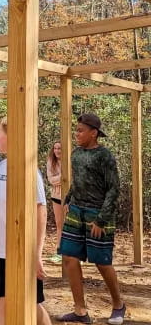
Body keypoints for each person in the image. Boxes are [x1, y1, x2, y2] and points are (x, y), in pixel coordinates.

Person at [57, 114, 125, 325]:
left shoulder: (105, 156)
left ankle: (118, 305)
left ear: (93, 133)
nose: (76, 134)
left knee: (101, 262)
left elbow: (114, 189)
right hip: (77, 211)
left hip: (98, 214)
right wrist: (68, 199)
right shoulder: (76, 154)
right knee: (68, 257)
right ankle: (80, 310)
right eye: (76, 130)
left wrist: (102, 220)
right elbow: (78, 182)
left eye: (80, 131)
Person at [0, 117, 52, 325]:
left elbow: (40, 211)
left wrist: (36, 254)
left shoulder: (30, 170)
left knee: (31, 303)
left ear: (11, 136)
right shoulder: (0, 167)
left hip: (20, 250)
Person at [47, 141, 63, 263]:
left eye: (59, 148)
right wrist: (63, 177)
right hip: (56, 196)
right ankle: (59, 251)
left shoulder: (70, 161)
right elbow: (51, 180)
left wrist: (61, 178)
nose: (57, 151)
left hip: (71, 197)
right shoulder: (50, 161)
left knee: (73, 226)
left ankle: (76, 254)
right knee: (60, 224)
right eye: (55, 148)